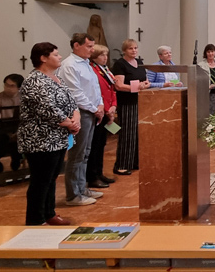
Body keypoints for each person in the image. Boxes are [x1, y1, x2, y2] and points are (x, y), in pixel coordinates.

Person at [19, 42, 82, 224]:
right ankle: (36, 220)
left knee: (52, 178)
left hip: (58, 138)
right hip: (40, 139)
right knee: (41, 181)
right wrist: (69, 124)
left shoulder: (56, 78)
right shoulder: (34, 80)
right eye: (55, 54)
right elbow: (47, 109)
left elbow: (72, 102)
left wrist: (76, 118)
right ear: (43, 58)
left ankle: (49, 213)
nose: (60, 57)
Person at [58, 33, 104, 206]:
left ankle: (82, 188)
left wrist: (100, 105)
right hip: (80, 112)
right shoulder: (69, 65)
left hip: (91, 111)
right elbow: (75, 93)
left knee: (85, 153)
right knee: (77, 154)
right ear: (76, 45)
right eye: (89, 46)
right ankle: (73, 195)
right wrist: (94, 108)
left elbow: (95, 88)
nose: (92, 50)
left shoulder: (87, 64)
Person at [111, 39, 151, 175]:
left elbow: (145, 80)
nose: (134, 50)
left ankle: (134, 161)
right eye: (130, 48)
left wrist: (146, 84)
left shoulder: (139, 62)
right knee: (127, 134)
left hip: (139, 101)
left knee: (138, 134)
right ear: (124, 50)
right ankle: (122, 164)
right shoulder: (120, 64)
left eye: (135, 48)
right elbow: (119, 85)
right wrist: (137, 87)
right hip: (126, 102)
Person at [87, 44, 118, 189]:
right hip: (99, 111)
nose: (105, 58)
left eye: (106, 55)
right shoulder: (92, 70)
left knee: (101, 145)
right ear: (94, 56)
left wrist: (113, 106)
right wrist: (106, 109)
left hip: (108, 110)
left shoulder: (105, 70)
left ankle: (99, 173)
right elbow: (97, 92)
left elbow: (112, 89)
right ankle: (92, 176)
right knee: (94, 146)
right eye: (101, 55)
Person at [0, 73, 25, 173]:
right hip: (1, 126)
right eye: (6, 85)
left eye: (12, 86)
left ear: (19, 87)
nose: (8, 88)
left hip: (17, 125)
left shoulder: (24, 98)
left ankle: (17, 159)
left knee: (22, 135)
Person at [199, 44, 215, 114]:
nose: (210, 54)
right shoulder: (201, 65)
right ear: (205, 53)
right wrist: (210, 86)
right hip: (207, 95)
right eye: (208, 52)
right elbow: (200, 82)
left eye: (212, 51)